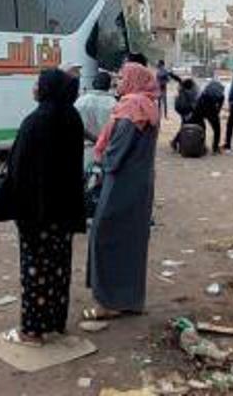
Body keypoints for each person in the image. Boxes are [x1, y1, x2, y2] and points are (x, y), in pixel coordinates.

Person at [3, 69, 86, 345]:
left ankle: (32, 330)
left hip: (35, 211)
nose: (34, 87)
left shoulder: (35, 121)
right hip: (65, 210)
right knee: (58, 267)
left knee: (35, 269)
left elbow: (17, 167)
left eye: (37, 83)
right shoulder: (72, 118)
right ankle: (54, 322)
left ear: (47, 88)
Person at [84, 62, 160, 320]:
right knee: (132, 243)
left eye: (122, 78)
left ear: (133, 80)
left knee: (107, 237)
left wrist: (100, 164)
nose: (117, 82)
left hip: (120, 184)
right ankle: (129, 299)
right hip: (139, 184)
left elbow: (116, 152)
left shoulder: (132, 107)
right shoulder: (148, 104)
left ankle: (108, 302)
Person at [76, 71, 118, 170]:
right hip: (106, 152)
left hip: (83, 151)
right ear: (109, 86)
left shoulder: (80, 102)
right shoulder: (115, 105)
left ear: (93, 84)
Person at [195, 77, 226, 153]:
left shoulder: (205, 92)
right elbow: (219, 107)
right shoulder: (221, 95)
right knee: (217, 130)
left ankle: (202, 147)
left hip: (200, 110)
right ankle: (215, 148)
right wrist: (216, 114)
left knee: (202, 129)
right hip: (212, 112)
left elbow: (197, 101)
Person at [171, 77, 200, 152]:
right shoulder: (190, 92)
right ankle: (176, 142)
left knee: (184, 126)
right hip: (187, 111)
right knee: (185, 127)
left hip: (181, 110)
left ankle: (177, 142)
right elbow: (193, 103)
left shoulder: (182, 90)